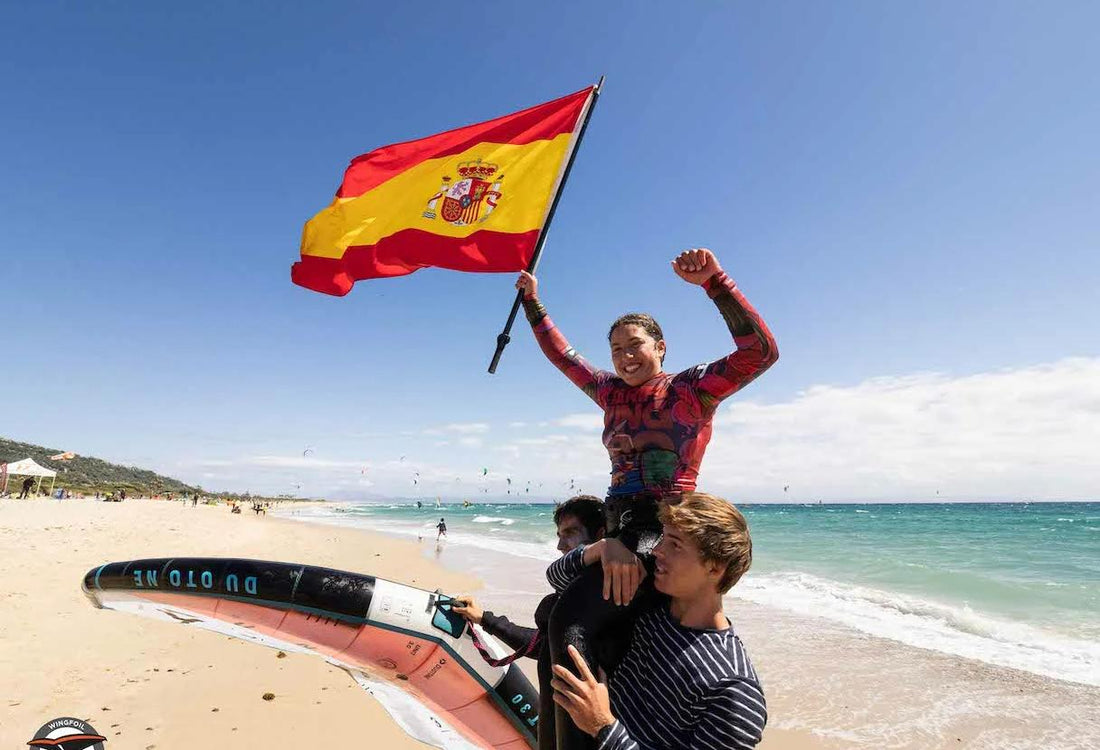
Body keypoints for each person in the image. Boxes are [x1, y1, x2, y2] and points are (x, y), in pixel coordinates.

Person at [517, 248, 777, 748]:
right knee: (556, 614)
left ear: (661, 347)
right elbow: (562, 356)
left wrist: (715, 282)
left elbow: (760, 354)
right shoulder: (609, 392)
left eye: (634, 345)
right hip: (617, 524)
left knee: (572, 618)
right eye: (615, 349)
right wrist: (533, 304)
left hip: (661, 524)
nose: (624, 356)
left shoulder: (689, 391)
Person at [549, 492, 766, 749]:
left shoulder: (734, 688)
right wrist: (604, 547)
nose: (656, 550)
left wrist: (603, 726)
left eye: (674, 544)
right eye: (663, 538)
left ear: (714, 568)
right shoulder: (648, 606)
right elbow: (558, 578)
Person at [453, 496, 606, 750]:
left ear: (600, 535)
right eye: (558, 534)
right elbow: (548, 648)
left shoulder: (609, 603)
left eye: (570, 533)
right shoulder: (568, 601)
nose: (559, 545)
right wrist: (485, 619)